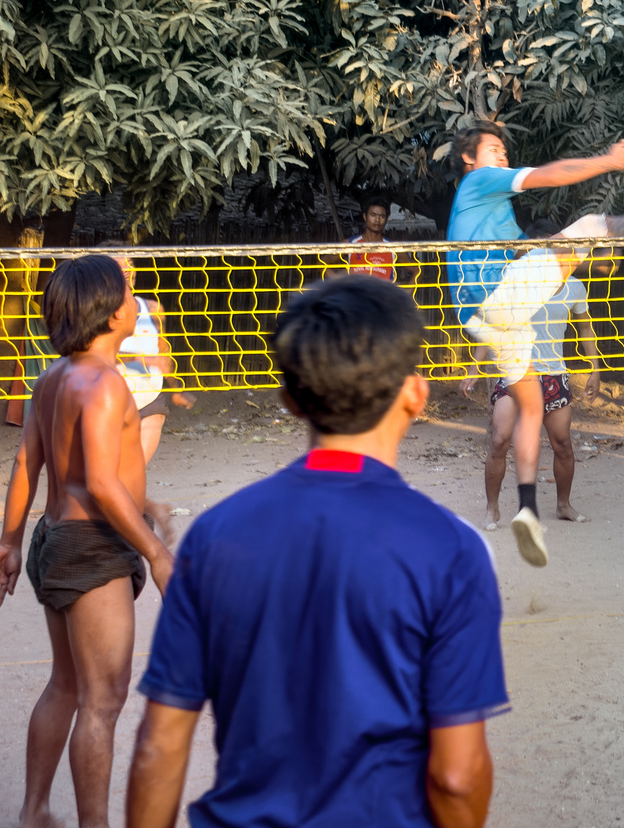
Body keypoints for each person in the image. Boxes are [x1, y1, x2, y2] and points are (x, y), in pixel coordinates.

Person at [125, 275, 508, 828]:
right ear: (416, 394)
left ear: (289, 400)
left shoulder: (214, 536)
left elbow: (158, 747)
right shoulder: (452, 549)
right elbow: (457, 778)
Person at [447, 120, 624, 564]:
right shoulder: (479, 180)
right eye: (494, 149)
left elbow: (527, 254)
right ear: (470, 158)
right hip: (498, 297)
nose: (502, 156)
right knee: (594, 223)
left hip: (487, 320)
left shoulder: (486, 218)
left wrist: (563, 256)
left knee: (531, 409)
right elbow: (548, 174)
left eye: (504, 150)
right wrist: (608, 161)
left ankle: (527, 511)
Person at [0, 254, 175, 828]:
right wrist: (155, 550)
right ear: (108, 313)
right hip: (92, 547)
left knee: (67, 683)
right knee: (103, 699)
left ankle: (33, 811)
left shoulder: (51, 379)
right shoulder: (104, 383)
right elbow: (100, 483)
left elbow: (29, 462)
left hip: (53, 539)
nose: (135, 300)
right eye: (127, 292)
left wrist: (9, 542)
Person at [467, 274, 601, 528]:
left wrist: (596, 368)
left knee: (562, 445)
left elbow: (585, 327)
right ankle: (492, 510)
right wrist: (474, 367)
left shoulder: (573, 286)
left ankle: (563, 505)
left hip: (554, 377)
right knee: (499, 440)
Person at [101, 245, 198, 472]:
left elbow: (162, 349)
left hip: (148, 394)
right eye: (119, 265)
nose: (127, 269)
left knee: (154, 421)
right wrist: (143, 359)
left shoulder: (152, 308)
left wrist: (176, 388)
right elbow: (95, 355)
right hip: (108, 394)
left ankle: (126, 490)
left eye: (130, 264)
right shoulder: (95, 310)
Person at [346, 198, 398, 281]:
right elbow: (322, 262)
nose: (377, 220)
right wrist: (341, 286)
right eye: (373, 215)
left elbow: (417, 270)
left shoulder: (392, 247)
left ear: (386, 219)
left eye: (382, 216)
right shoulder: (351, 244)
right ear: (365, 216)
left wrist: (404, 292)